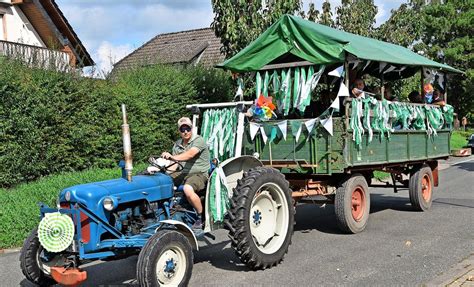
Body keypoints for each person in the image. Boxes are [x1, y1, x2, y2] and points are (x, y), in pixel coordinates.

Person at [161, 117, 210, 230]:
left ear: (191, 128)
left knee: (187, 189)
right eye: (182, 129)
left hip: (199, 174)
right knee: (162, 182)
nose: (185, 132)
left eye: (187, 129)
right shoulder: (178, 144)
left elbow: (189, 155)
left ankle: (200, 216)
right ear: (179, 131)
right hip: (183, 173)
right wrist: (165, 171)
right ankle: (165, 211)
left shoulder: (198, 140)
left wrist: (172, 157)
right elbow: (175, 165)